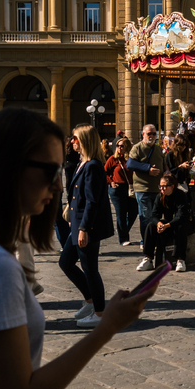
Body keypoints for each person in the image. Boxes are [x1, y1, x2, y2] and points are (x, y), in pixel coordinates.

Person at [0, 108, 158, 389]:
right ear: (8, 168)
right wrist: (105, 329)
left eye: (61, 170)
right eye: (50, 171)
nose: (59, 185)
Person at [59, 125, 114, 328]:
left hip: (86, 226)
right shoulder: (83, 162)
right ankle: (90, 302)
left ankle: (100, 314)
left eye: (75, 138)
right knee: (65, 262)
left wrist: (84, 229)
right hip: (78, 224)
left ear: (84, 140)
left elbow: (92, 201)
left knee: (90, 269)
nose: (72, 142)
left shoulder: (92, 165)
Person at [137, 173, 191, 274]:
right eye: (160, 186)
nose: (162, 189)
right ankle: (148, 258)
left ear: (172, 186)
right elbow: (154, 215)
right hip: (168, 222)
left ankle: (180, 259)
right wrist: (158, 223)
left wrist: (167, 225)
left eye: (164, 186)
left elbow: (181, 215)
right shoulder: (160, 196)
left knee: (180, 227)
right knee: (150, 226)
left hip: (181, 222)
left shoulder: (181, 195)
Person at [127, 124, 165, 243]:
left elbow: (163, 165)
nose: (152, 136)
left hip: (157, 189)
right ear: (143, 134)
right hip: (143, 189)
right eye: (149, 134)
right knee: (145, 217)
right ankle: (146, 241)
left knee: (156, 217)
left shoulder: (158, 149)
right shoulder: (137, 148)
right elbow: (130, 164)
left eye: (154, 134)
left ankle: (154, 239)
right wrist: (148, 169)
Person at [105, 136, 137, 245]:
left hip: (131, 188)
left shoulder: (132, 159)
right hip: (117, 189)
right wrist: (111, 182)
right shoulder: (113, 159)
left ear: (127, 147)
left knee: (133, 212)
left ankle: (123, 231)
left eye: (122, 146)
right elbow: (104, 172)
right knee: (121, 214)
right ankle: (123, 238)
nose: (119, 148)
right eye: (117, 146)